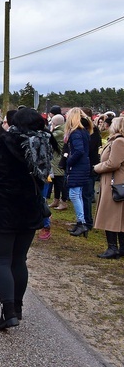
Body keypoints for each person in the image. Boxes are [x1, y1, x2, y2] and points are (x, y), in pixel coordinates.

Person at [0, 107, 55, 330]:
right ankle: (17, 307)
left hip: (0, 210)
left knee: (1, 260)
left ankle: (8, 312)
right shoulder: (44, 145)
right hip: (28, 208)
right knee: (19, 260)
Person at [93, 117, 124, 258]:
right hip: (113, 181)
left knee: (111, 215)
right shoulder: (117, 140)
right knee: (117, 216)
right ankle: (120, 248)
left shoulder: (119, 142)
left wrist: (96, 168)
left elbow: (113, 163)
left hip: (114, 182)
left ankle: (113, 248)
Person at [64, 107, 92, 237]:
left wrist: (69, 160)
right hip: (83, 165)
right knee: (78, 194)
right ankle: (81, 221)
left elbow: (79, 150)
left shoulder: (75, 133)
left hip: (78, 167)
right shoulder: (84, 131)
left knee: (74, 194)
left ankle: (81, 222)